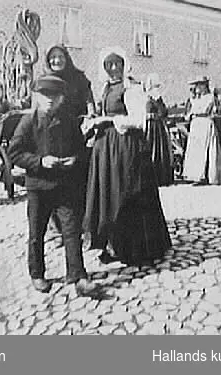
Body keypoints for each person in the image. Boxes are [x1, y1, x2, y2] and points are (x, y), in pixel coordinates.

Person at [7, 75, 97, 295]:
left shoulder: (68, 121)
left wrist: (75, 159)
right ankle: (37, 274)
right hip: (38, 187)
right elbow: (14, 153)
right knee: (37, 231)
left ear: (61, 99)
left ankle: (78, 276)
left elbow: (81, 149)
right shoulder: (29, 121)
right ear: (36, 96)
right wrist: (40, 161)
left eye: (54, 96)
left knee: (71, 230)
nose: (49, 100)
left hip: (64, 185)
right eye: (44, 95)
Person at [82, 46, 171, 266]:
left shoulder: (130, 88)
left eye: (117, 64)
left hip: (126, 147)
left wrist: (109, 121)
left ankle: (133, 246)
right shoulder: (106, 88)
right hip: (107, 149)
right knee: (108, 195)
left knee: (125, 193)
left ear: (124, 65)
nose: (113, 68)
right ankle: (113, 242)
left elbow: (139, 120)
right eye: (109, 65)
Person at [42, 44, 96, 231]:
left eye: (60, 56)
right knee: (52, 179)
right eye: (52, 57)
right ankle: (57, 225)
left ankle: (79, 224)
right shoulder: (46, 79)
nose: (56, 61)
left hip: (76, 133)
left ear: (67, 58)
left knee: (76, 179)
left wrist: (89, 117)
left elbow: (89, 102)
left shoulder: (79, 78)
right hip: (52, 134)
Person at [182, 77, 221, 185]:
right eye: (196, 85)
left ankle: (204, 175)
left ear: (205, 86)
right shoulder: (194, 99)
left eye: (200, 85)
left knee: (204, 149)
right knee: (195, 150)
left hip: (204, 123)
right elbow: (187, 115)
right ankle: (194, 175)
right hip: (196, 124)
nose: (197, 87)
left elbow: (213, 110)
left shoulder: (209, 98)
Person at [144, 73, 173, 187]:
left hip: (156, 126)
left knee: (158, 149)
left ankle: (160, 176)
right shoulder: (150, 97)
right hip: (152, 126)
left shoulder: (155, 97)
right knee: (154, 149)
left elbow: (163, 112)